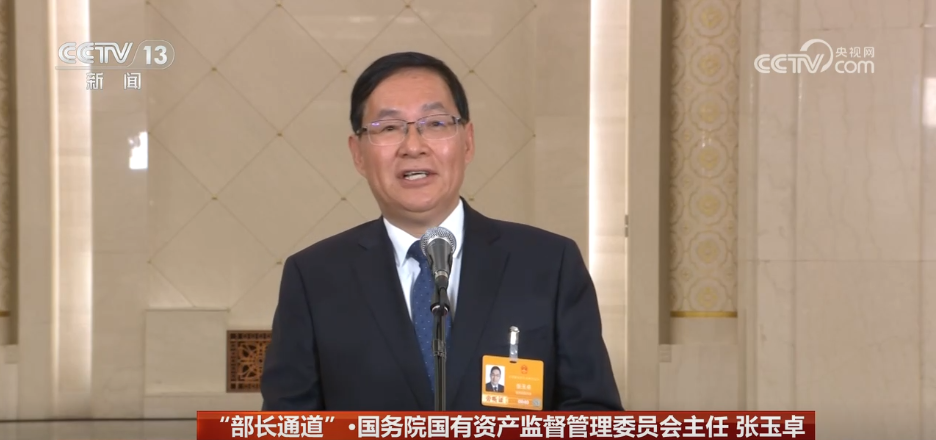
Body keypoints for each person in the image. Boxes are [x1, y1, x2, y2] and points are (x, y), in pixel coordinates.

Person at [260, 51, 622, 411]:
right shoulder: (314, 278)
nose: (413, 146)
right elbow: (286, 424)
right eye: (388, 128)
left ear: (467, 142)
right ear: (358, 154)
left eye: (435, 124)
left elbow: (593, 414)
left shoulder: (549, 264)